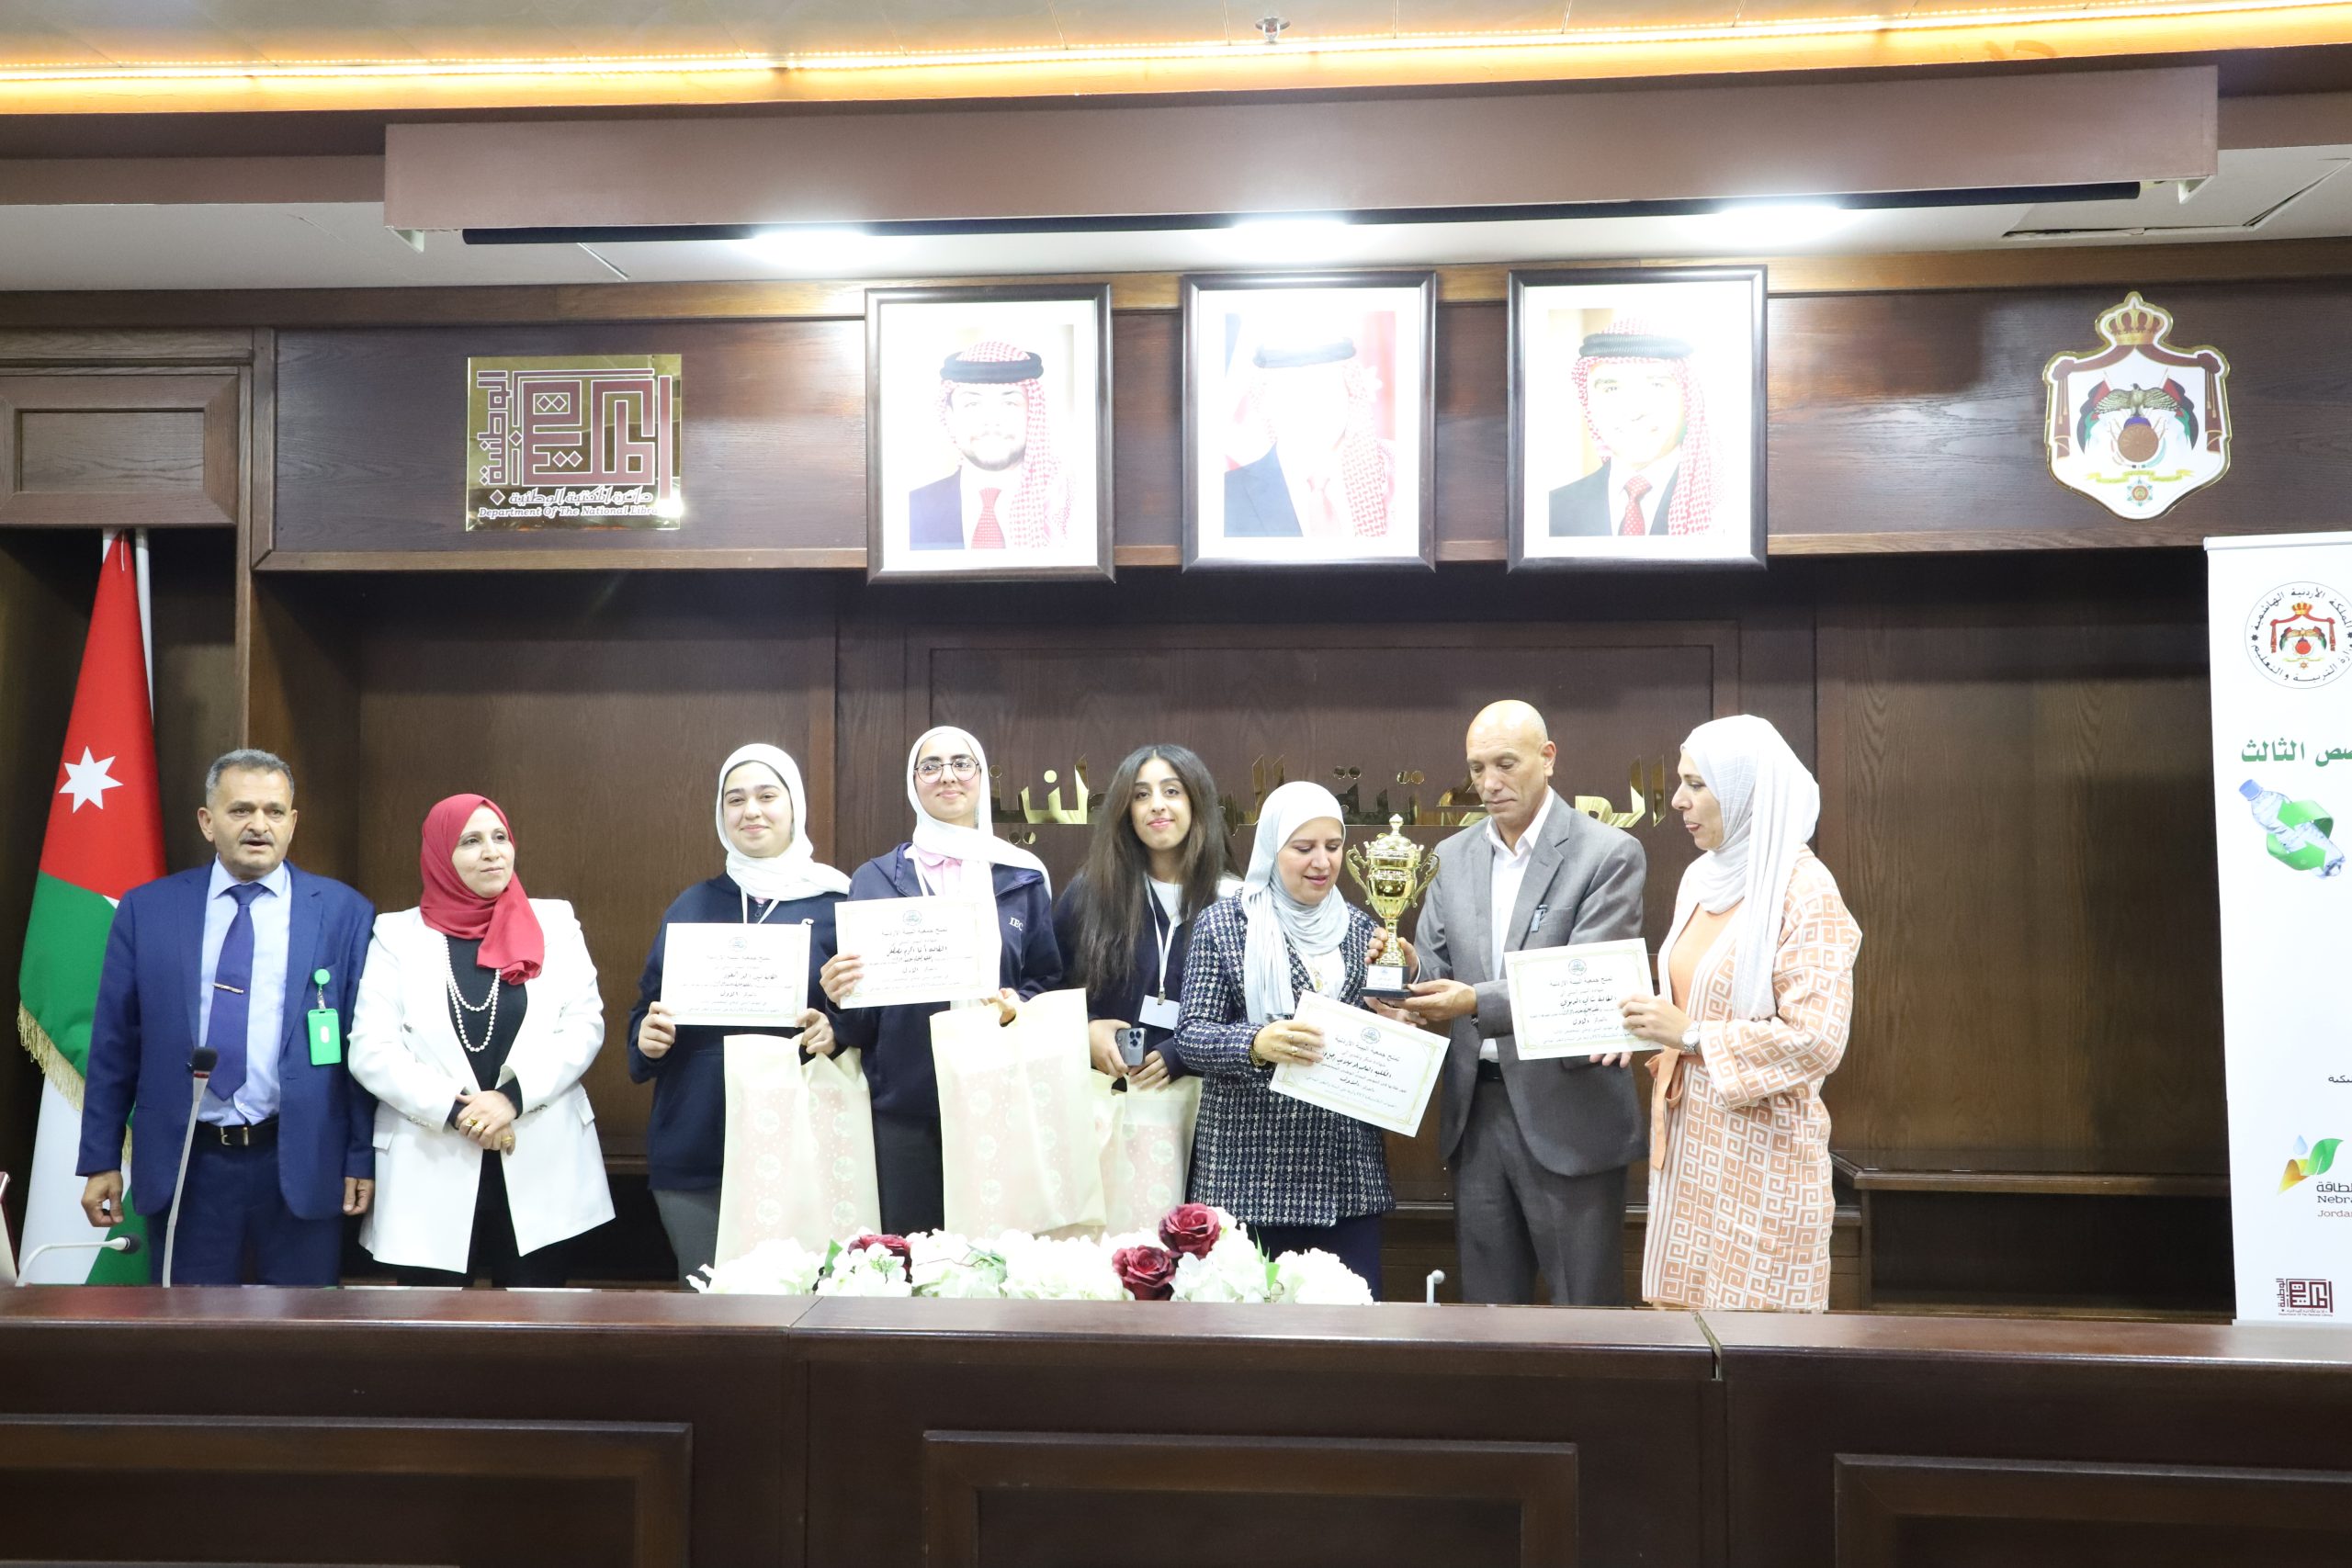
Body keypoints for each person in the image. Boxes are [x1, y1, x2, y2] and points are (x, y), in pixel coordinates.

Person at [1377, 701, 1649, 1305]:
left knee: (1585, 1313)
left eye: (1505, 763)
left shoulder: (1608, 853)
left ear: (1547, 758)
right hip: (1477, 1114)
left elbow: (1583, 981)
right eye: (1477, 768)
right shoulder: (1452, 856)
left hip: (1569, 1112)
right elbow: (1439, 973)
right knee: (1488, 1314)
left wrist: (1471, 1000)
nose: (1489, 782)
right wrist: (1407, 981)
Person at [76, 750, 376, 1286]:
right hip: (189, 1164)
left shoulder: (342, 912)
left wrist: (360, 1156)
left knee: (304, 1328)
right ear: (207, 821)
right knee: (191, 1329)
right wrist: (101, 1157)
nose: (259, 825)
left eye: (274, 811)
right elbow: (115, 1043)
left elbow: (361, 1048)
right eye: (241, 810)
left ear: (292, 822)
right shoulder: (149, 910)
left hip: (302, 1159)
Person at [1621, 716, 1862, 1313]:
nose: (1679, 800)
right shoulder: (1701, 879)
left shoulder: (1806, 890)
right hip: (1691, 1149)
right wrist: (1638, 1026)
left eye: (1697, 784)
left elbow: (1818, 1040)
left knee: (1756, 1342)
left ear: (1746, 791)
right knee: (1683, 1338)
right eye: (1681, 783)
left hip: (1764, 1158)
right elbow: (1690, 999)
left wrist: (1692, 1035)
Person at [348, 795, 613, 1287]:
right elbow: (371, 1049)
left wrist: (510, 1099)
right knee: (432, 1327)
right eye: (470, 841)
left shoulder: (555, 923)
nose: (492, 852)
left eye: (500, 837)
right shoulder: (395, 934)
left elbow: (583, 1025)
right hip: (430, 1161)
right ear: (440, 854)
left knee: (540, 1326)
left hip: (543, 1161)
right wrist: (460, 1112)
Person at [820, 727, 1063, 1235]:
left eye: (961, 763)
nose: (947, 776)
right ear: (913, 783)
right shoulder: (874, 878)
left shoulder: (1021, 876)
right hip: (906, 1102)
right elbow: (860, 1024)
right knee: (913, 1254)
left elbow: (1047, 978)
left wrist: (1018, 1002)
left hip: (1001, 1095)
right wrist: (839, 996)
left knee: (998, 1254)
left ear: (982, 777)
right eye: (930, 766)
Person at [628, 744, 847, 1282]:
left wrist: (836, 1030)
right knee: (708, 1305)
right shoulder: (691, 906)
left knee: (801, 1302)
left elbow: (869, 1022)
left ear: (794, 806)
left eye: (767, 796)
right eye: (735, 799)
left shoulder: (838, 904)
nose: (751, 811)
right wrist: (646, 1037)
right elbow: (643, 1012)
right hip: (697, 1140)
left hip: (802, 1145)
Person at [1173, 781, 1393, 1294]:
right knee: (1249, 1329)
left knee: (1350, 1324)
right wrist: (1255, 1044)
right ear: (1273, 849)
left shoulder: (1366, 930)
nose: (1321, 862)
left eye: (1333, 847)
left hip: (1345, 1176)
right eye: (1303, 847)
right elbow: (1191, 1037)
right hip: (1249, 1175)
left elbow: (1379, 1032)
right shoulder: (1225, 925)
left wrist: (1397, 1011)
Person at [1052, 744, 1233, 1092]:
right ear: (1126, 811)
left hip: (1207, 1103)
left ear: (1197, 802)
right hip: (1107, 1097)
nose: (1157, 805)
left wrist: (1184, 1051)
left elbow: (1251, 1014)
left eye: (1172, 791)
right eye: (1141, 795)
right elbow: (1047, 986)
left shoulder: (1233, 902)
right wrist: (1085, 1028)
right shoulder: (1091, 892)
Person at [1548, 318, 1716, 538]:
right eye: (1611, 389)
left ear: (1688, 399)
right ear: (1589, 403)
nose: (1633, 412)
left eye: (1656, 385)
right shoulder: (1552, 511)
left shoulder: (1724, 506)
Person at [1223, 332, 1396, 540]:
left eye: (1326, 385)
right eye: (1291, 388)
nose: (1312, 406)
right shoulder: (1223, 497)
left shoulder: (1397, 477)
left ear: (1350, 392)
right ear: (1265, 401)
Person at [909, 342, 1069, 552]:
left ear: (1032, 414)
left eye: (1010, 403)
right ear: (950, 417)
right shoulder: (911, 510)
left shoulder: (1068, 507)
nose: (992, 420)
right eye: (973, 404)